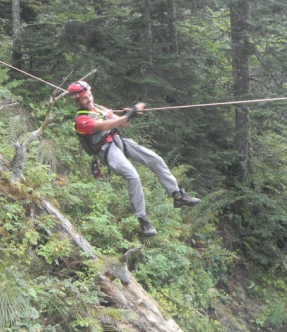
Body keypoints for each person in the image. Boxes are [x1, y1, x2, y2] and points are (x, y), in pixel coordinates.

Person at [67, 80, 200, 237]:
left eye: (89, 95)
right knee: (133, 176)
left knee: (155, 159)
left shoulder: (99, 108)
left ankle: (177, 195)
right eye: (84, 98)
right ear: (77, 101)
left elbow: (123, 125)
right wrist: (129, 114)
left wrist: (128, 117)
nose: (89, 99)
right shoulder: (81, 121)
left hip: (118, 141)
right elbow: (106, 125)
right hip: (106, 150)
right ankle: (143, 220)